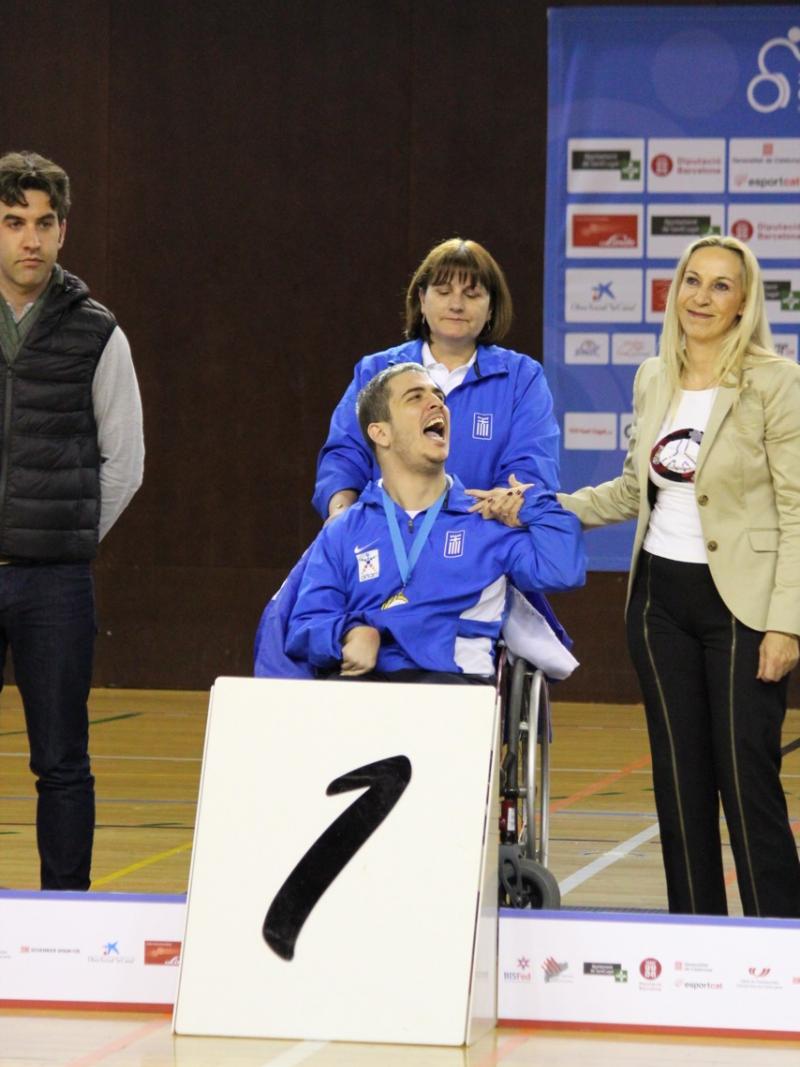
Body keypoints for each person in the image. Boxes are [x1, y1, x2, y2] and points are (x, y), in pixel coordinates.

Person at [558, 235, 800, 918]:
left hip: (744, 611)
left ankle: (781, 943)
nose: (701, 296)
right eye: (692, 280)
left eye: (721, 285)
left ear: (744, 302)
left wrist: (786, 622)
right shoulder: (653, 377)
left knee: (747, 780)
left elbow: (797, 508)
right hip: (659, 603)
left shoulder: (776, 382)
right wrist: (548, 510)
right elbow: (637, 489)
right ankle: (693, 938)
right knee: (679, 782)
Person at [0, 151, 144, 890]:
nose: (30, 238)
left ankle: (65, 910)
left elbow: (126, 460)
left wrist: (69, 537)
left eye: (44, 223)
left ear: (63, 232)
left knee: (61, 760)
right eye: (14, 221)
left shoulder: (97, 332)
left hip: (53, 583)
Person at [287, 364, 584, 681]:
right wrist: (348, 634)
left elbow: (563, 572)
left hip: (451, 687)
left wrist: (532, 506)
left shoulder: (484, 521)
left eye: (439, 397)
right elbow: (305, 623)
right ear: (380, 432)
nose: (437, 403)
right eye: (415, 397)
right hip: (366, 687)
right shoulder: (344, 531)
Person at [313, 238, 560, 530]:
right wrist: (341, 513)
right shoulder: (376, 371)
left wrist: (502, 509)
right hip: (385, 538)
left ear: (491, 308)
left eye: (472, 294)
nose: (456, 305)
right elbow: (345, 454)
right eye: (443, 292)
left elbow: (531, 467)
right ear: (421, 299)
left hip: (484, 544)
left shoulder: (521, 377)